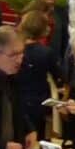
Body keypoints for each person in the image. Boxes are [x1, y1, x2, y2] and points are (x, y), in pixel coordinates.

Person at [15, 9, 59, 139]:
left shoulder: (15, 49)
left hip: (16, 98)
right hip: (38, 102)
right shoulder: (46, 53)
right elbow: (59, 75)